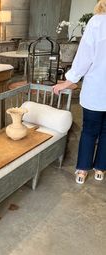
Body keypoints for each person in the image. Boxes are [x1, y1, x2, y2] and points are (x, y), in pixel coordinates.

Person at [53, 0, 106, 185]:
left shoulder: (97, 22)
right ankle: (100, 169)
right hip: (97, 89)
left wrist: (69, 81)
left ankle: (82, 170)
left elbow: (85, 56)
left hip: (97, 89)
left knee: (90, 131)